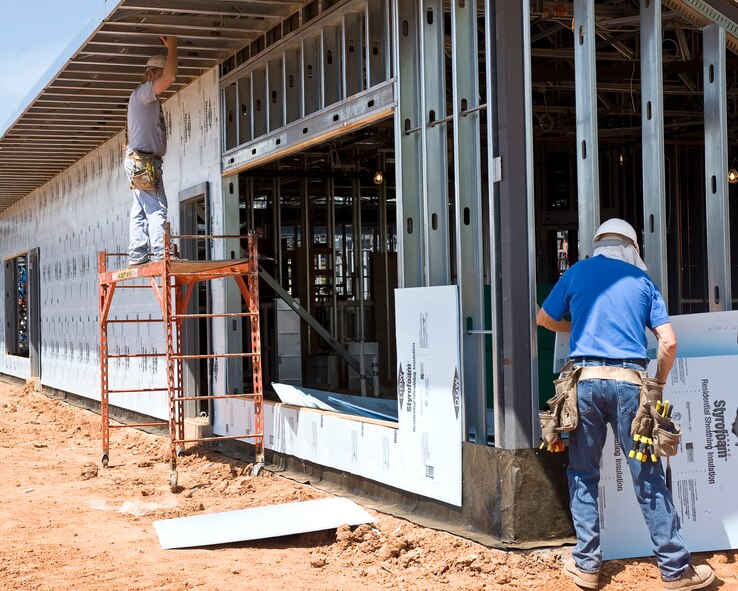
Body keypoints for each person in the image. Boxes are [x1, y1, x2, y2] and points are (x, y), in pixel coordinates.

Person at [537, 218, 716, 591]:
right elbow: (668, 343)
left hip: (582, 385)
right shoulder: (641, 282)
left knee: (582, 473)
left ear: (597, 244)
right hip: (630, 387)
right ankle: (675, 571)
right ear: (631, 248)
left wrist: (577, 327)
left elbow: (544, 318)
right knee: (647, 476)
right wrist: (658, 384)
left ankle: (586, 565)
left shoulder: (576, 272)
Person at [124, 36, 178, 266]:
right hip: (143, 160)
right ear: (150, 75)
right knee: (156, 206)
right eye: (159, 72)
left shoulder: (145, 99)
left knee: (140, 207)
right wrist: (173, 47)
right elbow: (171, 77)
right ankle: (161, 253)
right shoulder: (145, 93)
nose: (163, 77)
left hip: (139, 158)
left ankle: (137, 253)